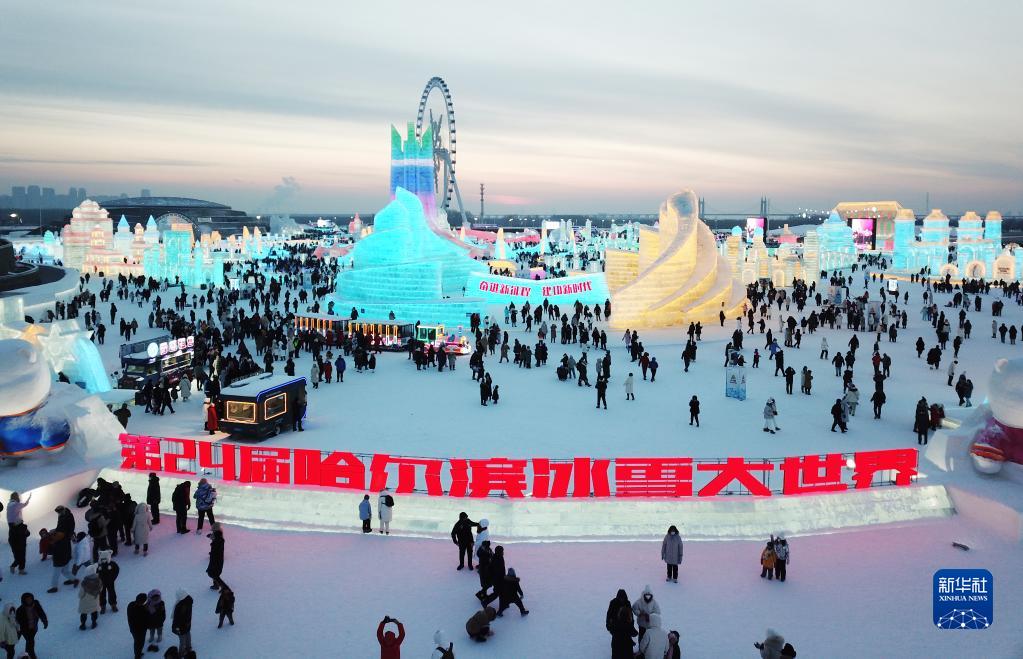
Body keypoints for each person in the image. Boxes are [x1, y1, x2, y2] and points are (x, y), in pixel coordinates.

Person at [46, 506, 75, 593]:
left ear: (62, 511)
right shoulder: (68, 516)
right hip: (66, 546)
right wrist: (56, 530)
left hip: (61, 548)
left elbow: (61, 533)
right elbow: (63, 530)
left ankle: (54, 587)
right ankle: (74, 580)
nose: (58, 513)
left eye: (58, 512)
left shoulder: (64, 519)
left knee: (57, 570)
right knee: (65, 570)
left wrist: (52, 540)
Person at [15, 593, 47, 659]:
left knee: (29, 643)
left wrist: (44, 621)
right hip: (25, 630)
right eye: (27, 600)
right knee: (30, 643)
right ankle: (31, 656)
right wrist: (18, 633)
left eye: (30, 599)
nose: (29, 601)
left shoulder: (36, 604)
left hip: (33, 628)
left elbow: (41, 612)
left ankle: (27, 655)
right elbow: (17, 622)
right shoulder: (20, 610)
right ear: (24, 601)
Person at [77, 564, 102, 630]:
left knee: (84, 613)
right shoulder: (98, 581)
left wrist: (80, 596)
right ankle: (94, 623)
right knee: (94, 612)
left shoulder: (84, 582)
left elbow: (81, 594)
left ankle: (83, 624)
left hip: (85, 602)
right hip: (94, 600)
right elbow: (100, 589)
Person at [96, 550, 119, 614]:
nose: (104, 560)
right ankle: (103, 606)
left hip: (110, 582)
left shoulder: (112, 564)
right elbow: (95, 572)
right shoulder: (98, 565)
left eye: (105, 558)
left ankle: (113, 604)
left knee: (112, 593)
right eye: (102, 559)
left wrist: (113, 578)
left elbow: (117, 570)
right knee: (102, 594)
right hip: (101, 582)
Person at [128, 593, 149, 659]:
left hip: (133, 628)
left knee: (137, 642)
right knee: (139, 643)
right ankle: (137, 656)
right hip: (140, 630)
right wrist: (146, 609)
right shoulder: (141, 610)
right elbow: (144, 619)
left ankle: (138, 653)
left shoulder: (131, 604)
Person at [171, 590, 193, 655]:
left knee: (182, 640)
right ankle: (188, 647)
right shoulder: (189, 601)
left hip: (181, 626)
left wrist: (176, 627)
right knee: (187, 635)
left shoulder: (181, 605)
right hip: (187, 624)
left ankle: (181, 653)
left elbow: (177, 618)